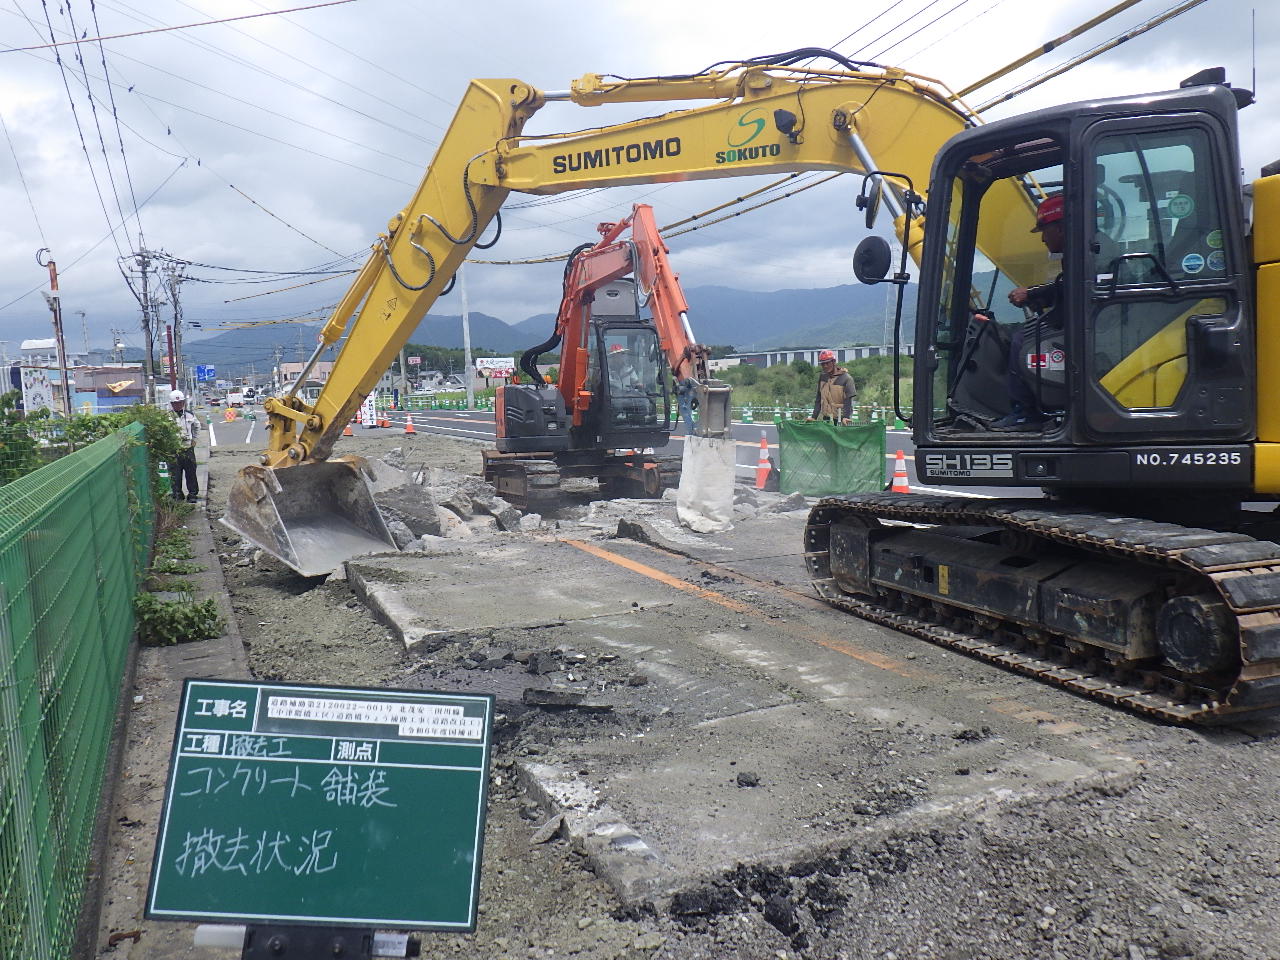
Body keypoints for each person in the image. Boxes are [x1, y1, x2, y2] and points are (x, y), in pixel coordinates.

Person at [990, 193, 1065, 431]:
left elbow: (1070, 290)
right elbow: (1065, 288)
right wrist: (1033, 295)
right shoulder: (1085, 253)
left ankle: (1026, 411)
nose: (1043, 239)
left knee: (1022, 341)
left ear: (1061, 227)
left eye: (1045, 230)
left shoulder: (1084, 255)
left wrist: (1031, 294)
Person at [168, 390, 201, 502]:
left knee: (191, 473)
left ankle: (192, 494)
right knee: (175, 474)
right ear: (171, 404)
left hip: (188, 448)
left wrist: (195, 440)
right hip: (174, 449)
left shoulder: (189, 415)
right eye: (175, 403)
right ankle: (177, 494)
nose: (178, 405)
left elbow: (197, 426)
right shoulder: (167, 417)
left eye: (180, 402)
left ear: (183, 403)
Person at [811, 350, 855, 423]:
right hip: (826, 419)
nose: (825, 366)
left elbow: (848, 401)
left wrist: (846, 417)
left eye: (827, 363)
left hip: (841, 420)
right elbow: (818, 399)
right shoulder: (822, 377)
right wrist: (814, 417)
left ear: (833, 362)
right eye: (823, 364)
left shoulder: (846, 378)